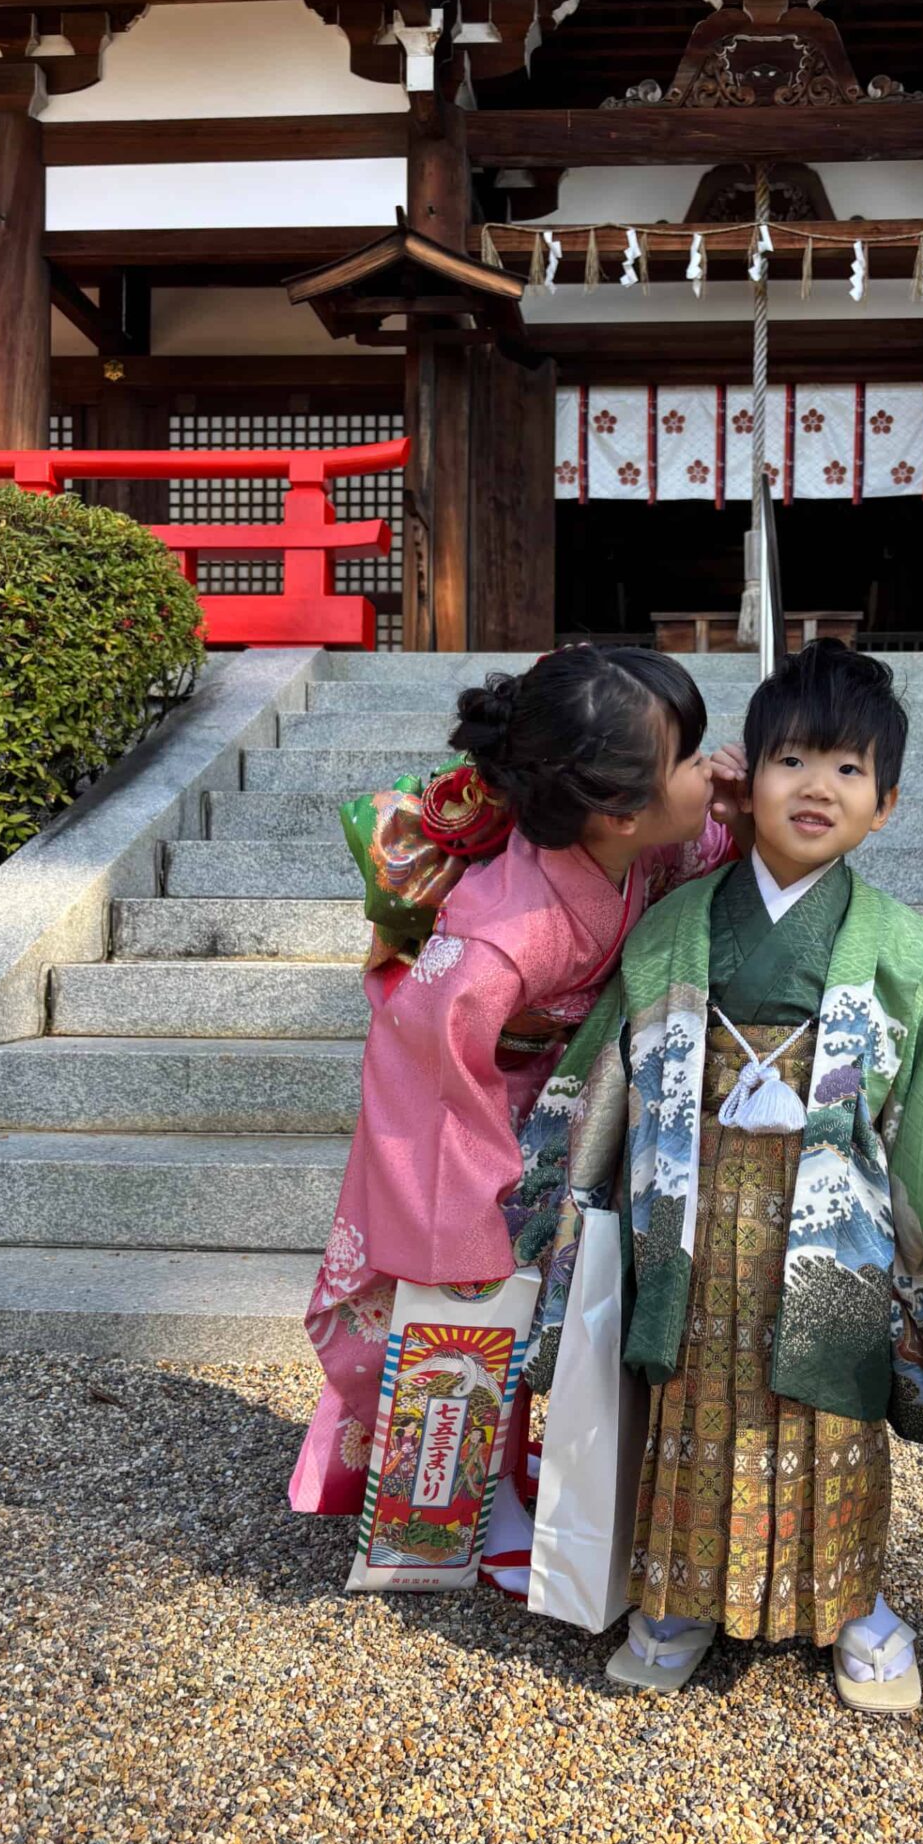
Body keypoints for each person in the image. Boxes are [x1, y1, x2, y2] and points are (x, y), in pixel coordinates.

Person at [511, 640, 923, 1708]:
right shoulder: (677, 927)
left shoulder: (897, 943)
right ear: (745, 781)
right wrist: (563, 1196)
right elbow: (607, 1073)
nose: (820, 787)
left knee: (830, 1411)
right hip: (692, 1209)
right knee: (692, 1408)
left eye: (850, 771)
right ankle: (677, 1599)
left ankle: (849, 1602)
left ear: (885, 805)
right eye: (795, 760)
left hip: (833, 1223)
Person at [289, 645, 746, 1602]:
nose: (712, 766)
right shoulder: (506, 928)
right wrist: (476, 1204)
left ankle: (499, 1461)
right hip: (462, 1114)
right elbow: (424, 1055)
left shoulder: (628, 840)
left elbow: (697, 856)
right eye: (693, 757)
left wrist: (732, 817)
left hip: (546, 1095)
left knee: (538, 1297)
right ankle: (480, 1492)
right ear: (618, 812)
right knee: (474, 1299)